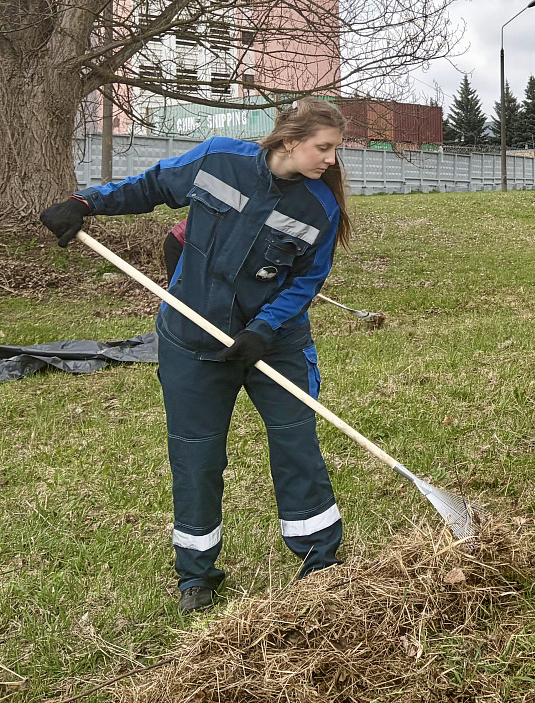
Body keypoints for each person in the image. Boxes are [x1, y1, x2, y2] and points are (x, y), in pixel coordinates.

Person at [39, 98, 352, 613]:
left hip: (274, 345)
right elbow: (153, 185)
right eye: (324, 148)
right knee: (196, 454)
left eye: (335, 150)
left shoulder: (319, 207)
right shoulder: (218, 159)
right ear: (290, 140)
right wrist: (86, 203)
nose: (330, 160)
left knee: (296, 441)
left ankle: (320, 559)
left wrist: (264, 329)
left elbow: (306, 282)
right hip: (192, 341)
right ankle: (197, 574)